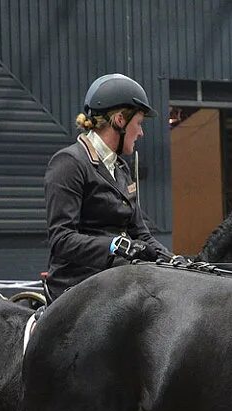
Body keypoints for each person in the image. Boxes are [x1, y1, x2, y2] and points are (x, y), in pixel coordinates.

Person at [43, 72, 171, 301]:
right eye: (139, 123)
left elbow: (140, 233)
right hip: (77, 285)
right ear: (120, 120)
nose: (141, 132)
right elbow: (62, 239)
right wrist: (115, 245)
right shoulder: (69, 163)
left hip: (118, 278)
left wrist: (174, 261)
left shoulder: (121, 168)